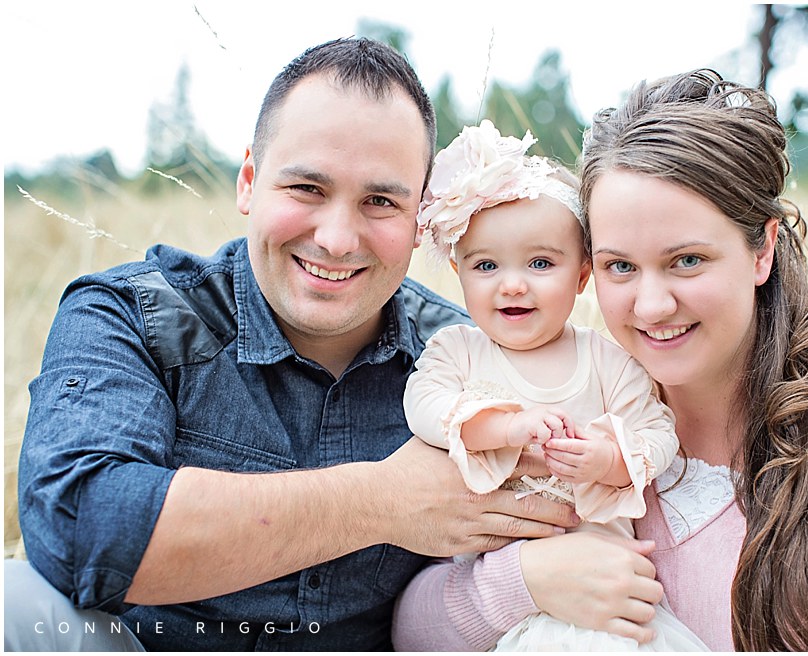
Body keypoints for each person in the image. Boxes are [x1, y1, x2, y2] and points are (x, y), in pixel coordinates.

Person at [5, 37, 578, 652]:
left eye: (380, 201)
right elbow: (79, 529)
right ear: (249, 181)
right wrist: (384, 499)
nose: (335, 238)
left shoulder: (467, 357)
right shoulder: (136, 315)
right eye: (306, 188)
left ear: (422, 221)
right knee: (14, 601)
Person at [392, 69, 808, 651]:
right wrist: (524, 583)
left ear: (762, 250)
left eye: (688, 260)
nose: (651, 305)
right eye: (622, 266)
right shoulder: (573, 401)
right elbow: (410, 630)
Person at [405, 119, 707, 651]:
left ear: (583, 275)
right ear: (458, 270)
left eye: (541, 262)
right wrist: (505, 426)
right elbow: (423, 406)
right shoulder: (458, 351)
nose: (513, 283)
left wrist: (608, 460)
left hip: (607, 597)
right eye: (486, 265)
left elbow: (658, 432)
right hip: (511, 601)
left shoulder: (606, 360)